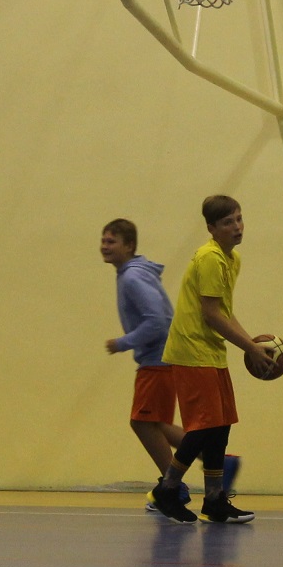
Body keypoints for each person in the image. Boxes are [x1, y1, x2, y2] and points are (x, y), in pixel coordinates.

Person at [152, 195, 273, 525]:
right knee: (203, 427)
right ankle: (167, 488)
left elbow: (225, 312)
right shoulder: (209, 258)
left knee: (220, 425)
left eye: (239, 219)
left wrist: (250, 344)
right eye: (227, 222)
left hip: (210, 351)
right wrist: (249, 347)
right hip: (192, 350)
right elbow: (211, 314)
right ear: (211, 228)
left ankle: (215, 499)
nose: (237, 226)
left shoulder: (231, 259)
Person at [100, 217, 190, 517]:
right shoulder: (133, 273)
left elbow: (158, 321)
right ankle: (218, 461)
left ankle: (173, 486)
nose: (104, 246)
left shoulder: (132, 277)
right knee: (157, 425)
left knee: (141, 422)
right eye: (103, 240)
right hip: (162, 358)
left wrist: (123, 342)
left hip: (157, 359)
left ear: (129, 246)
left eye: (111, 241)